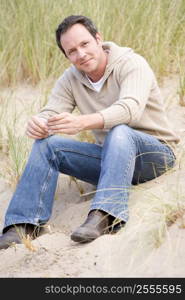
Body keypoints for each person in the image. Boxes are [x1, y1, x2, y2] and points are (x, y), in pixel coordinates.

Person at [0, 15, 180, 250]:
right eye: (72, 51)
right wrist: (39, 123)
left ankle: (105, 215)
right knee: (47, 145)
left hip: (155, 158)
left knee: (120, 131)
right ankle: (23, 224)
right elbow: (51, 111)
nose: (81, 54)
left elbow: (130, 109)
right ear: (67, 56)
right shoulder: (70, 79)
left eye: (84, 44)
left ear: (98, 39)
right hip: (112, 162)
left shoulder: (132, 64)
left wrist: (82, 122)